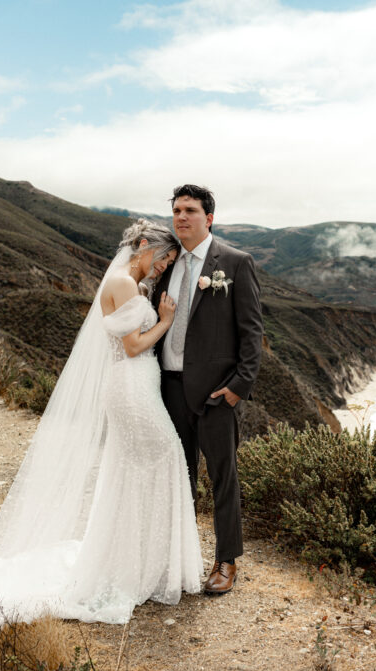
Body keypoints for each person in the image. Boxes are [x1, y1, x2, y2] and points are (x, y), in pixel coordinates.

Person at [0, 219, 203, 658]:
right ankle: (147, 565)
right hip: (131, 387)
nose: (162, 267)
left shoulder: (127, 281)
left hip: (135, 387)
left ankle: (143, 562)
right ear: (144, 245)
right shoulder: (123, 284)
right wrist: (165, 320)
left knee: (135, 470)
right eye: (162, 258)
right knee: (166, 456)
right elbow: (132, 346)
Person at [153, 185, 263, 595]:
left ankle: (226, 562)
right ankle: (178, 559)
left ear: (209, 219)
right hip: (168, 387)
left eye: (190, 211)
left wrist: (237, 388)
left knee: (222, 478)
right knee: (178, 477)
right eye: (177, 210)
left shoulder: (234, 263)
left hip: (216, 393)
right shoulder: (166, 266)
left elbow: (252, 333)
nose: (181, 217)